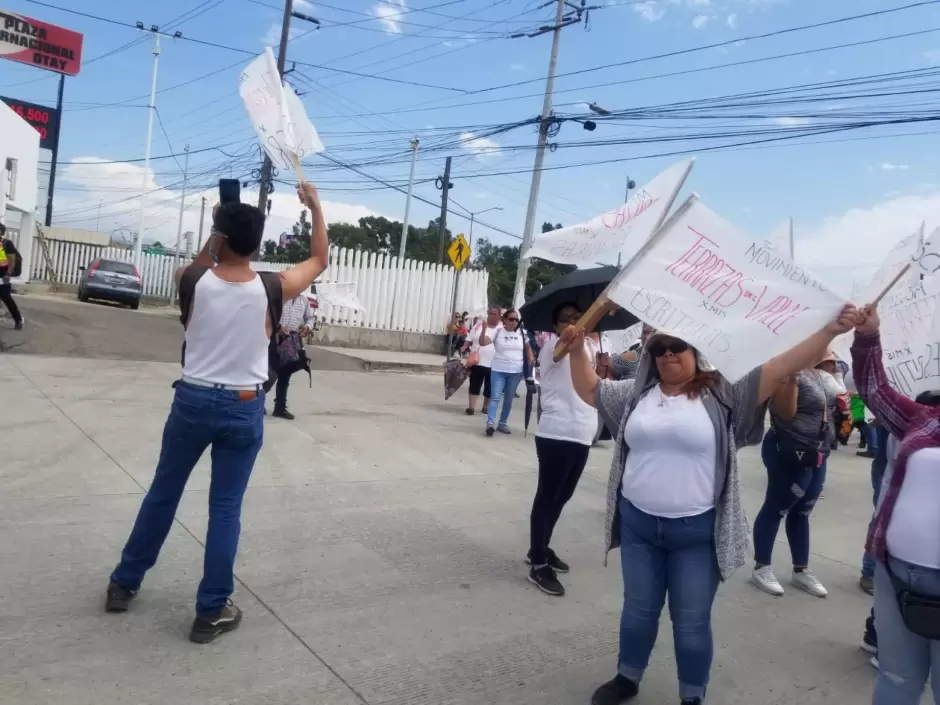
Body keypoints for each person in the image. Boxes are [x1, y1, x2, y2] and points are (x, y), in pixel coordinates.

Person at [564, 302, 856, 705]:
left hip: (697, 533)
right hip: (638, 526)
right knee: (638, 611)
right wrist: (578, 349)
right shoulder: (637, 394)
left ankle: (692, 695)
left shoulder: (724, 392)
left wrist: (828, 331)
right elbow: (592, 390)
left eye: (676, 346)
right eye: (658, 348)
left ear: (695, 349)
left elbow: (779, 367)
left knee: (691, 622)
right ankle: (627, 677)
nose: (667, 354)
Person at [104, 182, 329, 644]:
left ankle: (124, 583)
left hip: (192, 400)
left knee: (162, 495)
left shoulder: (190, 278)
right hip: (243, 406)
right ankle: (210, 612)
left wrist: (218, 225)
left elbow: (206, 260)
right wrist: (317, 207)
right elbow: (320, 259)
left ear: (219, 238)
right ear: (258, 244)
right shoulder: (273, 287)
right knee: (224, 509)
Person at [852, 303, 940, 705]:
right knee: (896, 677)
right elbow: (874, 392)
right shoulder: (925, 418)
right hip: (895, 569)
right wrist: (868, 335)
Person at [750, 349, 844, 598]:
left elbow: (844, 399)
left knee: (803, 510)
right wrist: (790, 377)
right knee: (777, 506)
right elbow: (786, 412)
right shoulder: (782, 369)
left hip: (818, 451)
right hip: (789, 449)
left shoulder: (820, 373)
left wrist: (834, 370)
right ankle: (762, 566)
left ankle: (801, 569)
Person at [527, 302, 600, 596]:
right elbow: (565, 346)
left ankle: (541, 546)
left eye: (577, 316)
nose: (572, 322)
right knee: (548, 496)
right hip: (556, 433)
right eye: (565, 318)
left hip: (582, 432)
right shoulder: (554, 347)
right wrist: (573, 333)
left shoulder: (589, 348)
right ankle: (538, 563)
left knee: (563, 496)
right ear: (555, 326)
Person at [479, 308, 533, 436]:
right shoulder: (498, 332)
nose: (514, 322)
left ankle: (502, 422)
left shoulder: (522, 333)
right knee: (495, 397)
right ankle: (490, 423)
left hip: (516, 371)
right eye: (511, 319)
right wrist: (483, 330)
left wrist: (531, 360)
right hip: (498, 370)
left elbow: (528, 349)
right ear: (504, 320)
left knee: (508, 399)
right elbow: (483, 342)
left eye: (516, 320)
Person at [272, 293, 315, 420]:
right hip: (275, 339)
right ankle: (258, 402)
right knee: (269, 373)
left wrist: (307, 326)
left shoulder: (303, 301)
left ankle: (280, 407)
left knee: (285, 374)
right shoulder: (280, 298)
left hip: (292, 341)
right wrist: (278, 328)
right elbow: (269, 315)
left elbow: (310, 318)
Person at [461, 305, 501, 415]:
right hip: (477, 361)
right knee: (475, 384)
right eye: (490, 313)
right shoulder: (479, 325)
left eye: (494, 314)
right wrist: (464, 347)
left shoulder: (501, 328)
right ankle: (471, 407)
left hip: (494, 363)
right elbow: (469, 338)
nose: (492, 315)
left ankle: (485, 407)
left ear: (499, 316)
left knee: (490, 387)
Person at [0, 223, 24, 330]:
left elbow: (12, 259)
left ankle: (18, 319)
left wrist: (8, 274)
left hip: (3, 275)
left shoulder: (7, 243)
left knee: (6, 298)